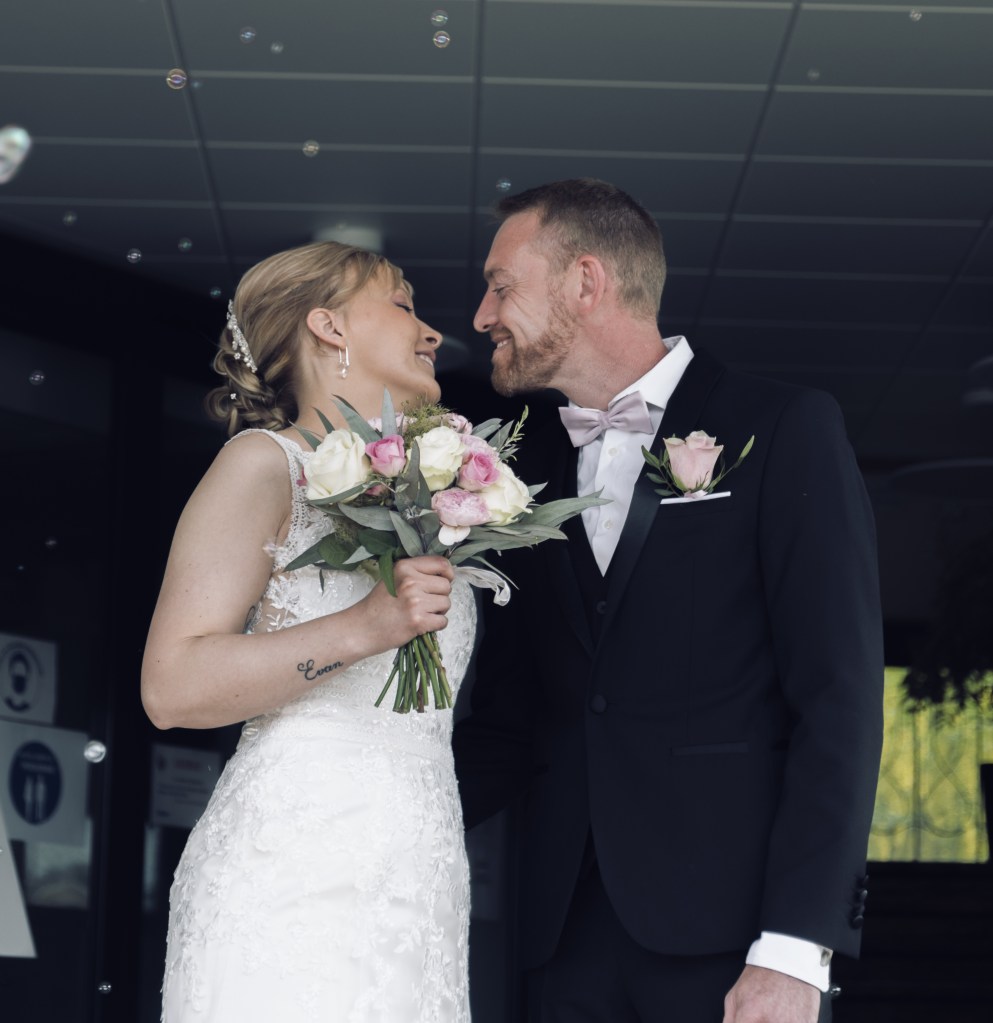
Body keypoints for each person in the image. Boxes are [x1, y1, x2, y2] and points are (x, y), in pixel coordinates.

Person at [452, 179, 884, 1023]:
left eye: (500, 286)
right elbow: (511, 717)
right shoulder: (513, 470)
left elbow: (838, 701)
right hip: (559, 940)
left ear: (585, 281)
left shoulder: (782, 427)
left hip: (737, 943)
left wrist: (795, 945)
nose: (481, 315)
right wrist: (376, 806)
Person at [141, 241, 476, 1022]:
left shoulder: (430, 497)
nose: (431, 332)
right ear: (329, 326)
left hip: (420, 879)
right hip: (294, 875)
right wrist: (365, 625)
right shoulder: (265, 465)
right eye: (403, 304)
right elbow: (171, 686)